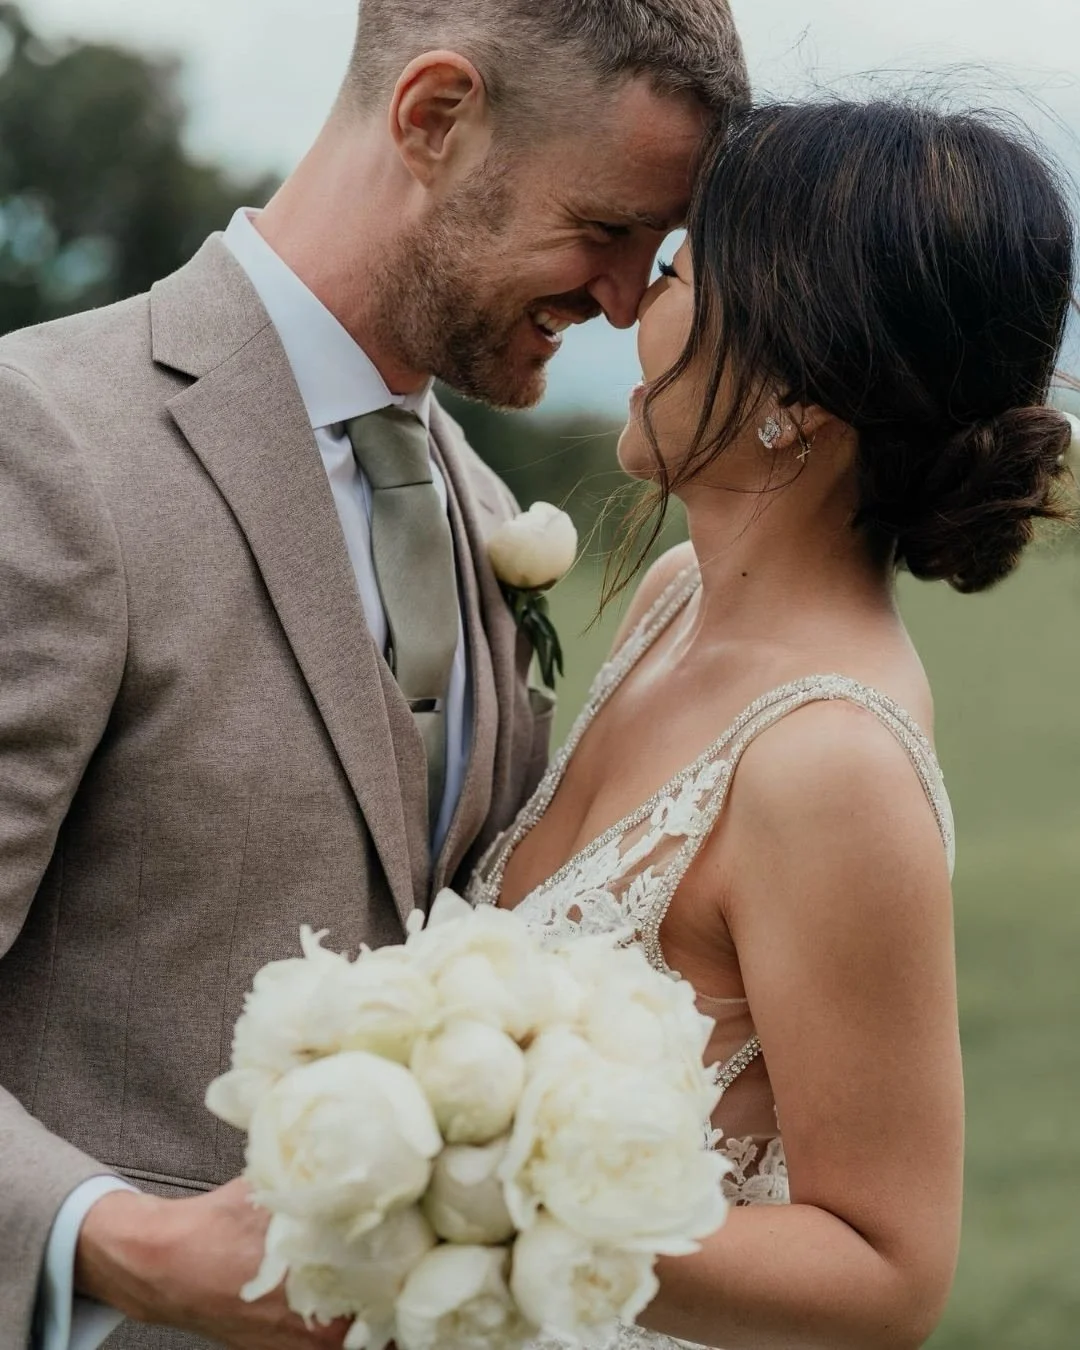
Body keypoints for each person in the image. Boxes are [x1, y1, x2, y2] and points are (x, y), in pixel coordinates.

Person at [0, 1, 748, 1347]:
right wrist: (119, 1239)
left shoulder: (475, 497)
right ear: (433, 117)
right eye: (606, 229)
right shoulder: (49, 442)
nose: (633, 302)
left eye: (660, 247)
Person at [468, 99, 1077, 1349]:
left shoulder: (826, 764)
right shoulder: (668, 601)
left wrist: (493, 1206)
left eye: (680, 268)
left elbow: (888, 1270)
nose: (631, 306)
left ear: (799, 397)